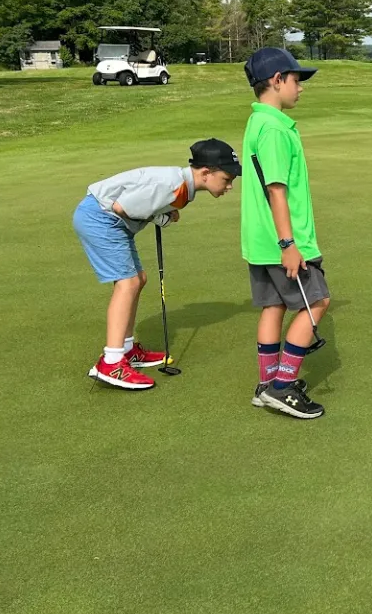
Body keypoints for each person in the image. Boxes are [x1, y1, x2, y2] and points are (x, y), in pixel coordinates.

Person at [74, 139, 240, 390]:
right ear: (206, 173)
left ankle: (126, 350)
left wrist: (162, 213)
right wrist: (159, 216)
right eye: (227, 179)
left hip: (109, 219)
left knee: (138, 279)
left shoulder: (183, 187)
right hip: (100, 217)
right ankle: (111, 362)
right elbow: (121, 206)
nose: (229, 186)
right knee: (128, 283)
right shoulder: (172, 185)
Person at [241, 47, 329, 420]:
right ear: (277, 80)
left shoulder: (257, 120)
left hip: (259, 241)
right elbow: (276, 189)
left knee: (274, 306)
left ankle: (266, 384)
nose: (300, 87)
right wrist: (289, 244)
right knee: (318, 302)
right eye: (296, 80)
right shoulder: (275, 128)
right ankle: (282, 387)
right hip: (285, 241)